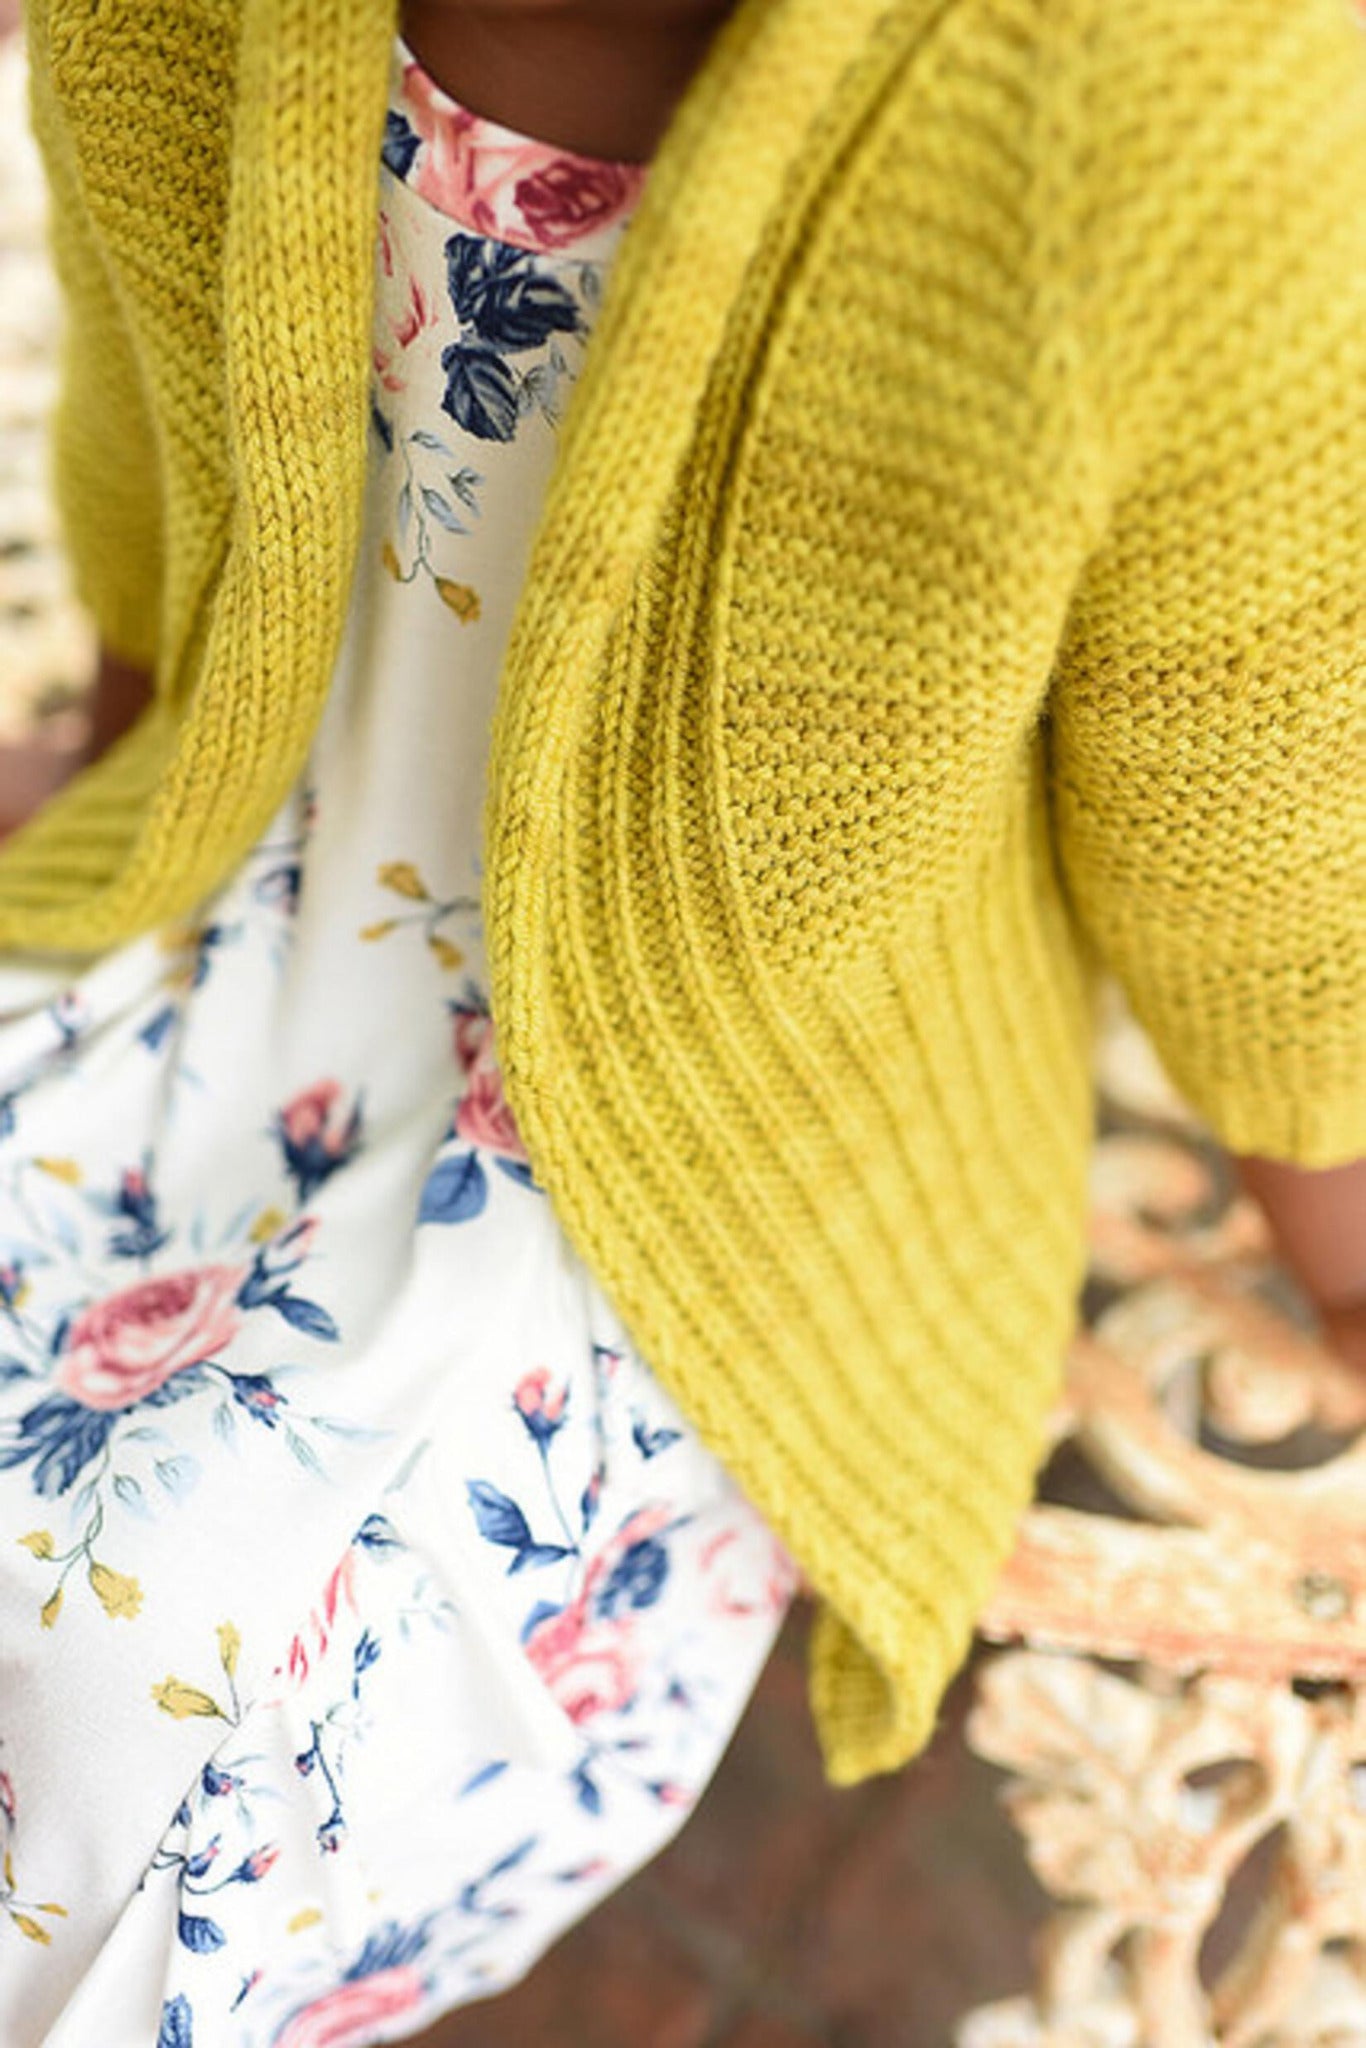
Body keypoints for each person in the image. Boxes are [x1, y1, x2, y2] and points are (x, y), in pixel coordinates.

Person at [2, 0, 1363, 2040]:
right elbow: (142, 390)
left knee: (132, 1698)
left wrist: (1334, 1239)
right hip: (244, 851)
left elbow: (1257, 836)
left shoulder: (1155, 81)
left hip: (733, 1143)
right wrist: (124, 796)